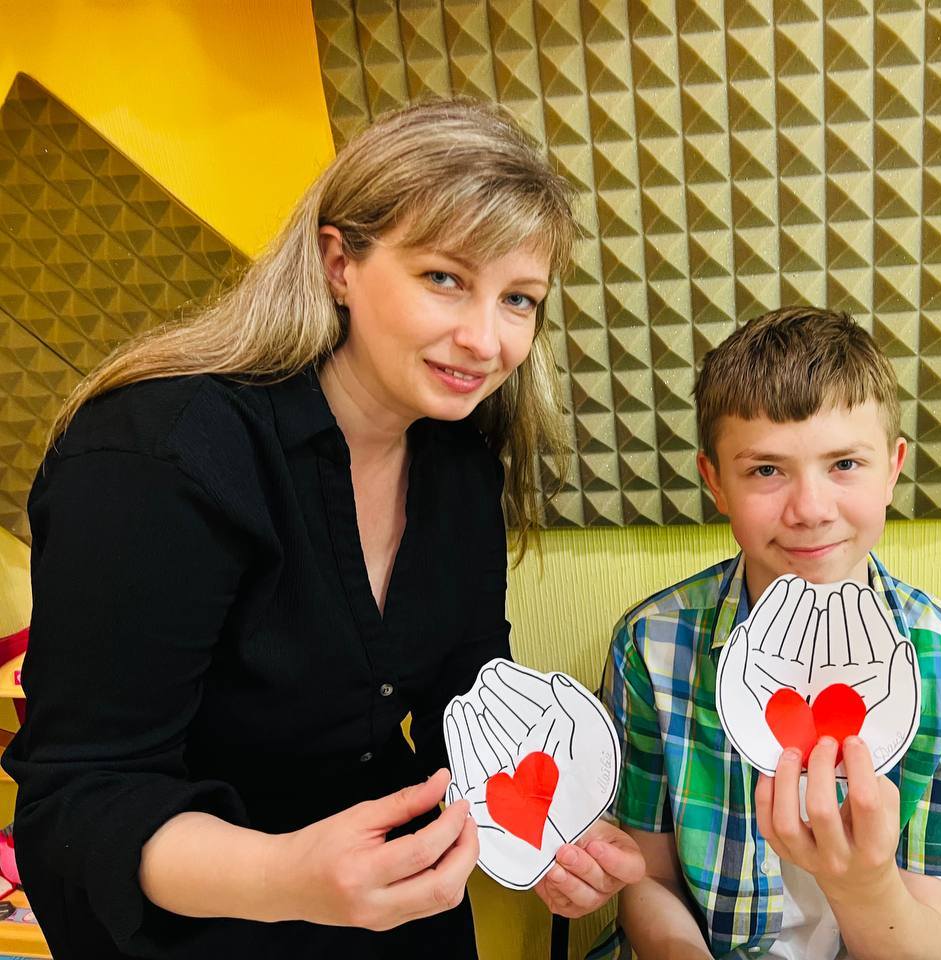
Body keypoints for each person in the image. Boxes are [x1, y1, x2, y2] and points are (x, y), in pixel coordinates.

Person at [4, 97, 642, 959]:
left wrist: (551, 829)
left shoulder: (459, 470)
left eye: (519, 299)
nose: (485, 339)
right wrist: (287, 876)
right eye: (445, 278)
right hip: (209, 924)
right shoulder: (158, 457)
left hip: (400, 918)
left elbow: (466, 701)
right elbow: (79, 804)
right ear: (339, 262)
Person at [590, 307, 941, 959]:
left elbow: (925, 942)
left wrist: (863, 883)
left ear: (893, 467)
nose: (810, 510)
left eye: (844, 463)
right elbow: (648, 878)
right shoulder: (651, 646)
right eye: (766, 470)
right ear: (716, 481)